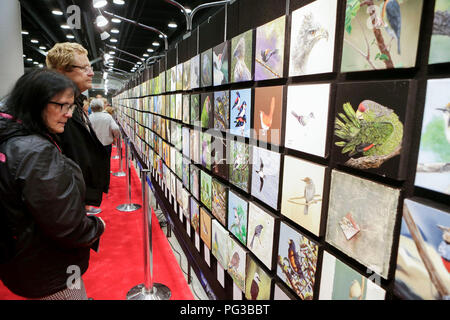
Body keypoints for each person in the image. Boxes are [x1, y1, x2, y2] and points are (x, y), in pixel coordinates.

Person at [0, 69, 105, 300]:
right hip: (51, 269)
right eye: (62, 105)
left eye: (71, 106)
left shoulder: (15, 140)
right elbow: (66, 224)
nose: (68, 114)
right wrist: (97, 226)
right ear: (36, 103)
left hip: (26, 261)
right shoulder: (35, 151)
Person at [46, 42, 109, 215]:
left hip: (80, 199)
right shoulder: (54, 111)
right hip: (68, 205)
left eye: (90, 67)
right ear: (61, 71)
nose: (91, 73)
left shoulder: (76, 104)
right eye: (83, 68)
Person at [89, 98, 120, 192]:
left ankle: (96, 184)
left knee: (95, 164)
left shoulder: (89, 117)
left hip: (93, 146)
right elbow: (115, 128)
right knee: (106, 164)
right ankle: (105, 186)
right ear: (102, 106)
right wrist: (115, 137)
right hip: (106, 144)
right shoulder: (107, 117)